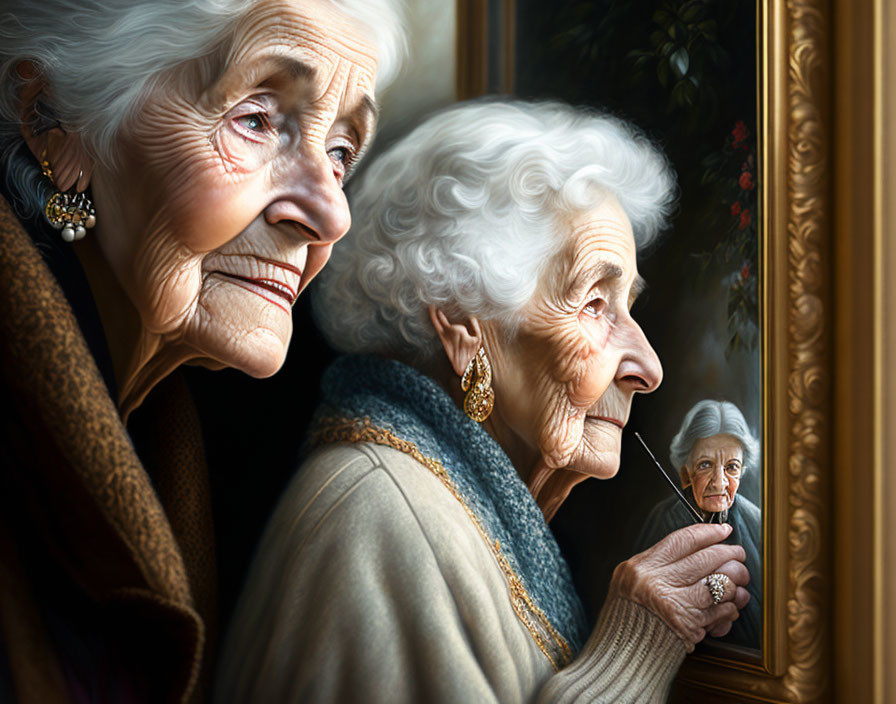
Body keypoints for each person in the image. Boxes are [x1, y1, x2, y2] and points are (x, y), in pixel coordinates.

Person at [218, 100, 752, 703]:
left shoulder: (449, 504)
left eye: (628, 304)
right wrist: (634, 649)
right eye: (595, 305)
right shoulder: (381, 519)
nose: (647, 367)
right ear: (464, 326)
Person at [0, 1, 404, 701]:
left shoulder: (162, 435)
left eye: (340, 152)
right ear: (52, 126)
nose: (330, 213)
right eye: (256, 118)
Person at [635, 399, 762, 649]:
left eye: (731, 468)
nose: (719, 482)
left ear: (742, 471)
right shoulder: (663, 520)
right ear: (686, 473)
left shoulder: (757, 522)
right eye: (705, 465)